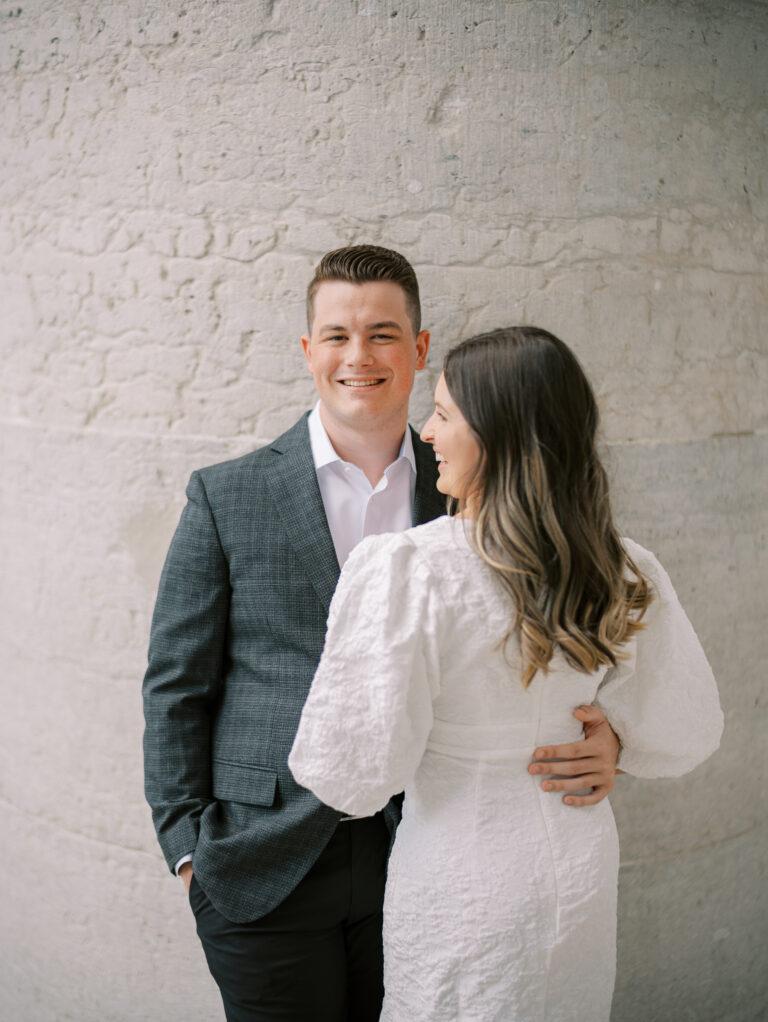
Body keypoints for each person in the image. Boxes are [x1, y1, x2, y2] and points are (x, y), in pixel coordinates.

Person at [143, 250, 622, 1022]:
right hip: (262, 859)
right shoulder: (227, 494)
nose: (357, 356)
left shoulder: (473, 488)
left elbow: (560, 638)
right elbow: (176, 685)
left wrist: (612, 739)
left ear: (422, 350)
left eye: (383, 334)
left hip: (427, 858)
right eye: (336, 335)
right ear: (307, 352)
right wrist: (188, 848)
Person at [289, 325, 724, 1022]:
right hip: (576, 866)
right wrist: (614, 735)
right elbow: (687, 729)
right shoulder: (624, 566)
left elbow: (352, 775)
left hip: (463, 880)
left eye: (445, 415)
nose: (426, 432)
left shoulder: (408, 569)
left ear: (496, 436)